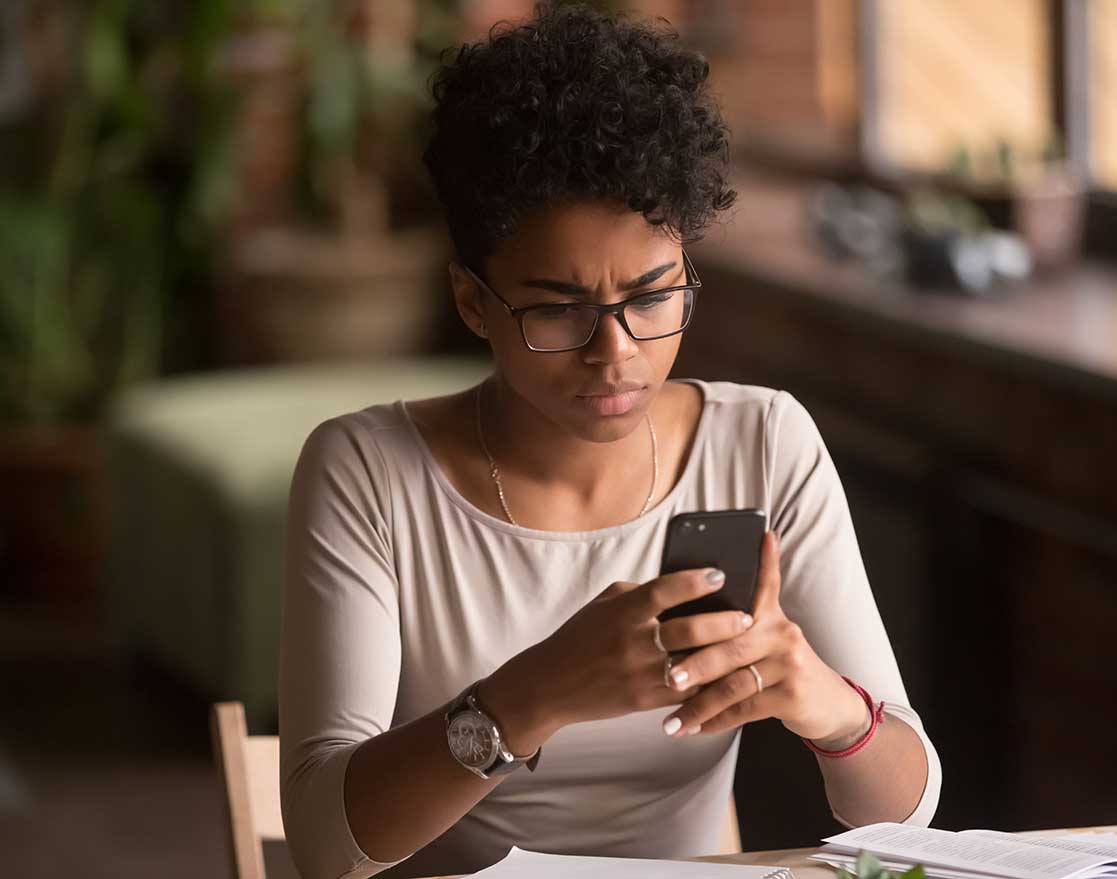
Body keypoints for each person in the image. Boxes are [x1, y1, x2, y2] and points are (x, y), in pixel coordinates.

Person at [277, 3, 941, 878]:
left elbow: (908, 815)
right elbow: (327, 846)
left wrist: (824, 701)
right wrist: (534, 694)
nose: (617, 352)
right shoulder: (368, 473)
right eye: (560, 308)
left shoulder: (763, 441)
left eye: (654, 296)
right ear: (473, 301)